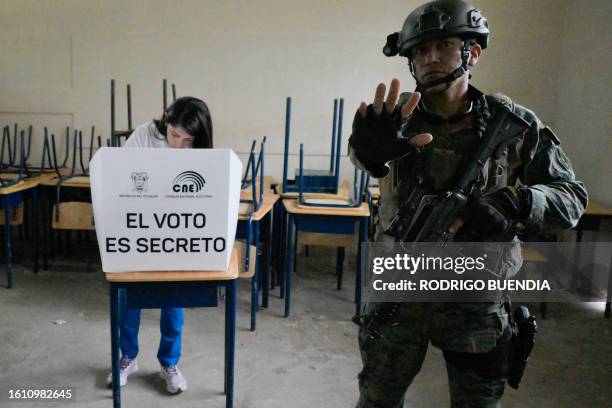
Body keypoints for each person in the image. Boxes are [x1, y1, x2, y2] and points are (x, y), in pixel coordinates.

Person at [348, 1, 588, 407]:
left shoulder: (512, 123)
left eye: (442, 44)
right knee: (376, 400)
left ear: (471, 52)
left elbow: (571, 196)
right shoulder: (397, 118)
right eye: (419, 51)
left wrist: (518, 200)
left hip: (475, 298)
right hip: (398, 295)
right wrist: (367, 154)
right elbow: (366, 156)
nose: (429, 58)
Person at [106, 96, 213, 393]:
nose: (178, 143)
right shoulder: (144, 134)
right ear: (166, 119)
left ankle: (169, 362)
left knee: (173, 297)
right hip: (139, 225)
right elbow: (120, 175)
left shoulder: (200, 149)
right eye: (174, 134)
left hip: (176, 229)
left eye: (186, 139)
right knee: (129, 294)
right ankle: (127, 357)